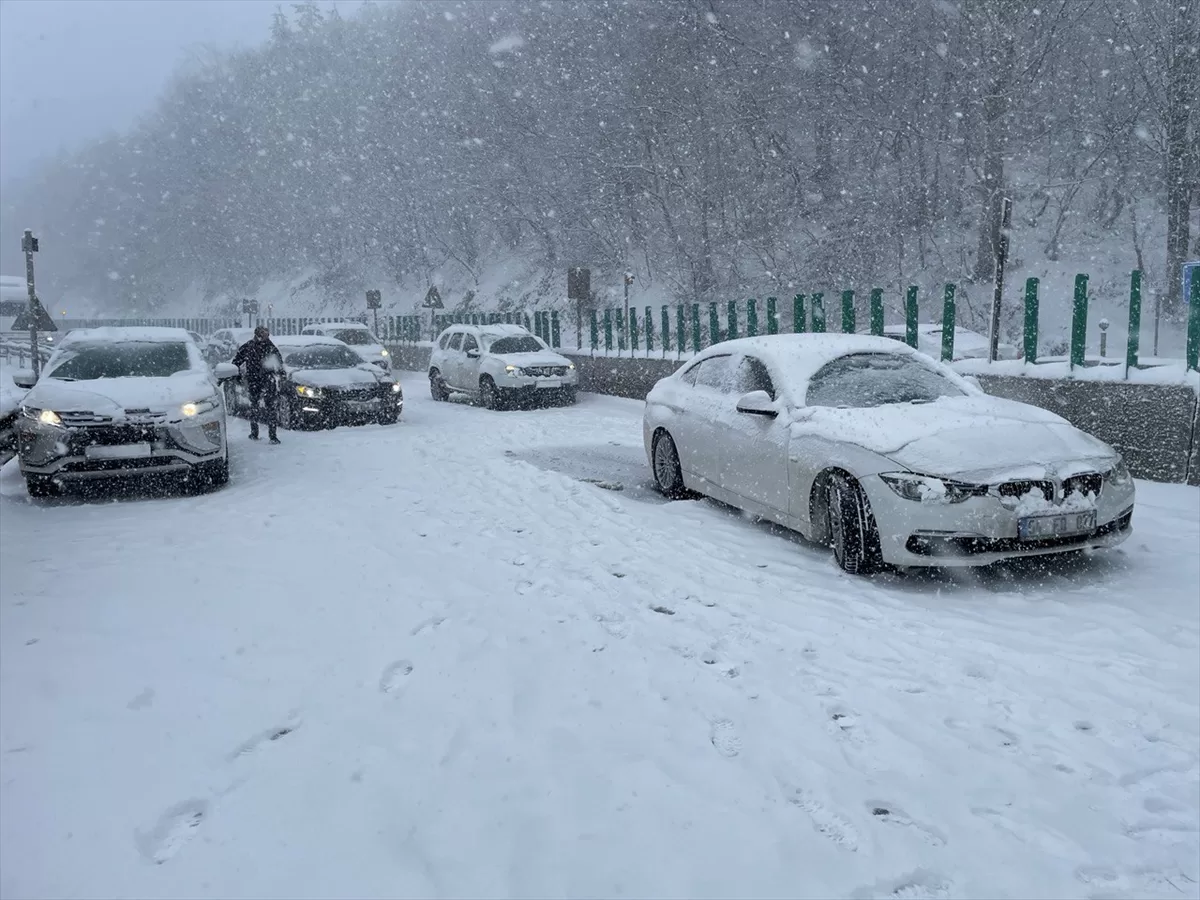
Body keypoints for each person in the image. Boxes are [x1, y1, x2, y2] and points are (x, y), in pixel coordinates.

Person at [232, 325, 283, 444]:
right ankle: (254, 433)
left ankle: (272, 436)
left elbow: (278, 362)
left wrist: (280, 373)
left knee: (270, 407)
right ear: (257, 334)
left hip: (267, 379)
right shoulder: (249, 346)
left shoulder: (270, 347)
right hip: (254, 380)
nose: (266, 336)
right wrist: (237, 374)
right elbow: (237, 361)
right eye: (263, 333)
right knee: (255, 406)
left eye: (267, 333)